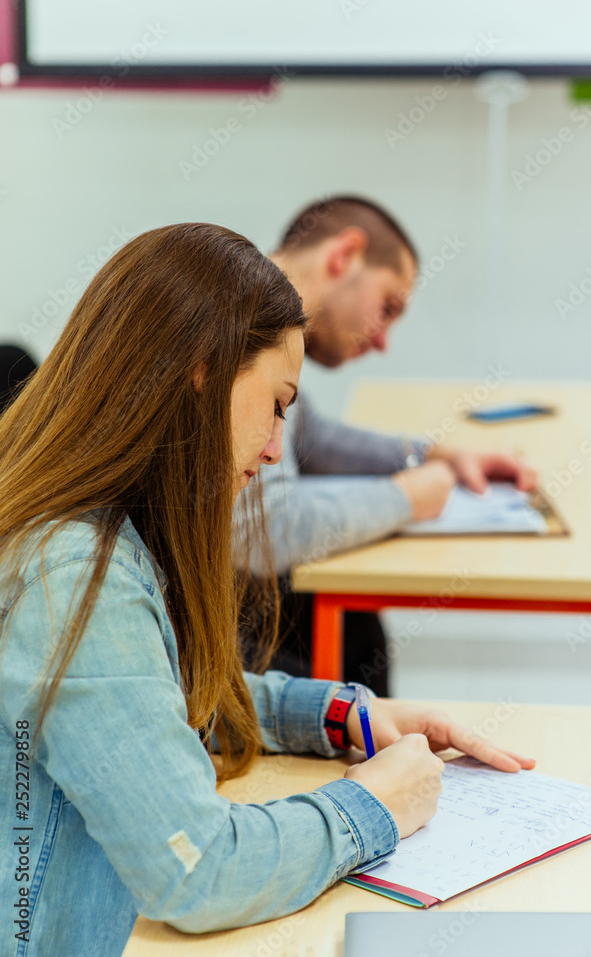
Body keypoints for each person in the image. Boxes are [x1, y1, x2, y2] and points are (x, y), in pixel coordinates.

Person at [0, 222, 535, 957]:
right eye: (277, 403)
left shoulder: (83, 534)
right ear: (202, 369)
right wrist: (374, 802)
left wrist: (344, 714)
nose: (278, 445)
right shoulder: (74, 575)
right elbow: (197, 874)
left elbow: (139, 701)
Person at [238, 196, 538, 695]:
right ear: (345, 255)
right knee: (339, 652)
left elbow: (308, 434)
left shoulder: (262, 314)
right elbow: (266, 528)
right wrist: (406, 498)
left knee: (355, 627)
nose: (382, 342)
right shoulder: (242, 330)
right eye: (388, 306)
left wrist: (431, 456)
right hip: (183, 618)